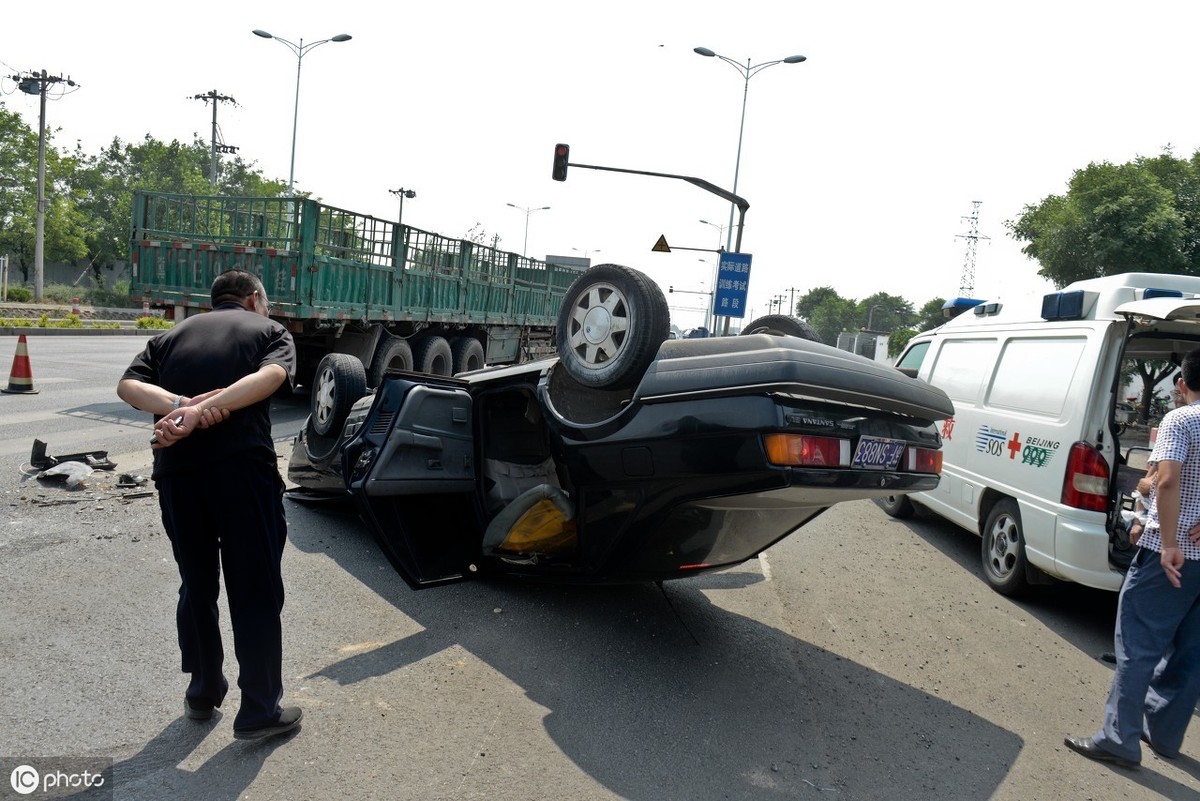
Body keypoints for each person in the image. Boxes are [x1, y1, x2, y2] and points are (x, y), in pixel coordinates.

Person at [117, 270, 302, 740]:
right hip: (243, 474)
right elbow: (271, 377)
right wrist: (200, 409)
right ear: (255, 298)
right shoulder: (270, 331)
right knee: (254, 586)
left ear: (214, 300)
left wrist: (181, 405)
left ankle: (202, 689)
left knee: (196, 582)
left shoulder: (170, 336)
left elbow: (129, 387)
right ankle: (259, 710)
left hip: (178, 476)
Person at [1066, 353, 1200, 768]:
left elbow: (1168, 478)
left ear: (1181, 382)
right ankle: (1163, 733)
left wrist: (1173, 541)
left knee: (1138, 646)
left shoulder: (1182, 420)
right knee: (1191, 651)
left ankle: (1118, 739)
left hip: (1169, 554)